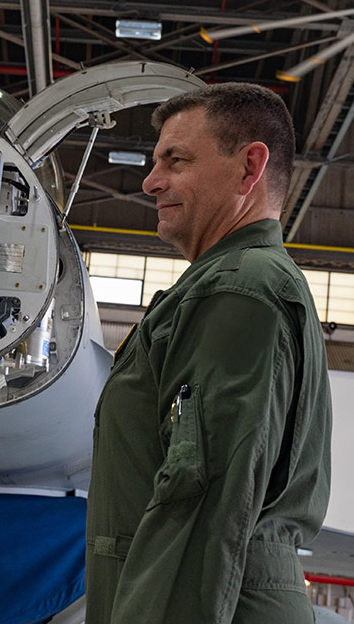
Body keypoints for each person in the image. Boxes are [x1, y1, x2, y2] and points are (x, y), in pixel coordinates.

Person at [85, 83, 332, 624]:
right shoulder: (231, 285)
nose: (151, 182)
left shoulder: (237, 290)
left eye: (176, 160)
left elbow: (202, 508)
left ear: (249, 168)